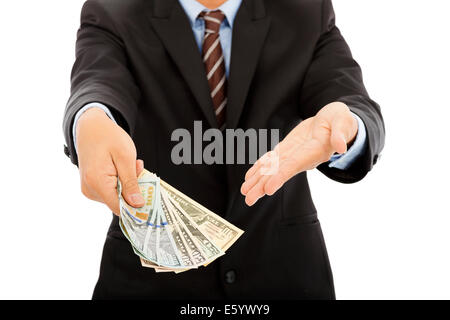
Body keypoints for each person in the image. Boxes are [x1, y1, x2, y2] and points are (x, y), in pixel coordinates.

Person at [63, 0, 385, 299]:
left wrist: (347, 129)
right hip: (149, 286)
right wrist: (91, 118)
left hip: (284, 278)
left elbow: (353, 103)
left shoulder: (305, 10)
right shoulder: (113, 10)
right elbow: (97, 81)